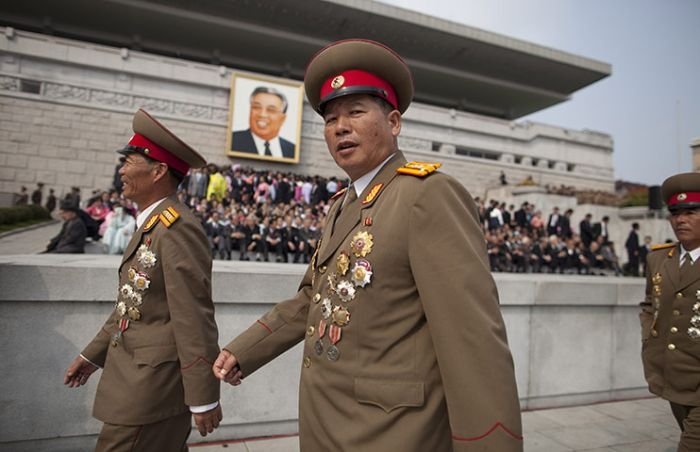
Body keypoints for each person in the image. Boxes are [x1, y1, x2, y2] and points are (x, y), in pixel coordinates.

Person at [213, 39, 522, 451]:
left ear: (393, 122)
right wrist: (245, 349)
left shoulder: (427, 194)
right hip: (328, 422)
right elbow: (313, 298)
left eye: (356, 113)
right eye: (331, 118)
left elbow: (472, 339)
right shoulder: (342, 204)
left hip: (391, 431)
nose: (341, 127)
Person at [63, 108, 222, 451]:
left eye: (129, 160)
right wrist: (92, 356)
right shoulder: (153, 226)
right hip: (135, 383)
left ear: (159, 171)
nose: (121, 170)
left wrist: (204, 396)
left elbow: (193, 317)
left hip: (150, 390)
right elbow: (132, 305)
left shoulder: (176, 229)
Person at [639, 172, 700, 451]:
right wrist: (649, 340)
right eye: (675, 213)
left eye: (691, 212)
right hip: (672, 374)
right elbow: (650, 304)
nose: (681, 220)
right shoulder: (659, 259)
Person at [231, 86, 296, 159]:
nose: (262, 114)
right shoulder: (233, 141)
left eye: (271, 110)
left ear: (282, 119)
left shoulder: (292, 150)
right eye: (256, 107)